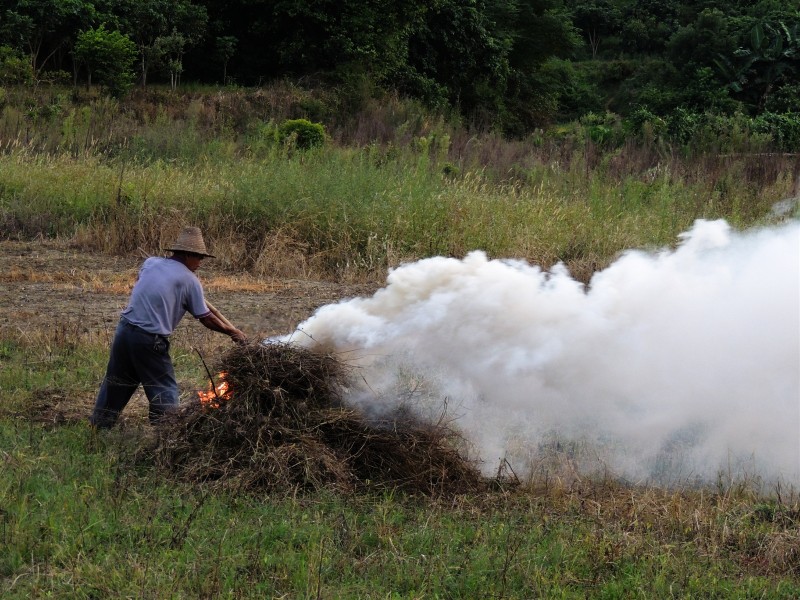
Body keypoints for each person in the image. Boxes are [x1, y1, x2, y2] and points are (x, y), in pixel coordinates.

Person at [90, 226, 247, 428]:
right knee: (164, 390)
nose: (200, 263)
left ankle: (98, 426)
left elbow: (145, 285)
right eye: (199, 257)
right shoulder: (190, 281)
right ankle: (166, 432)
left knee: (117, 382)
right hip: (149, 340)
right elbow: (206, 318)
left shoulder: (151, 263)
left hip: (125, 331)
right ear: (189, 254)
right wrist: (232, 332)